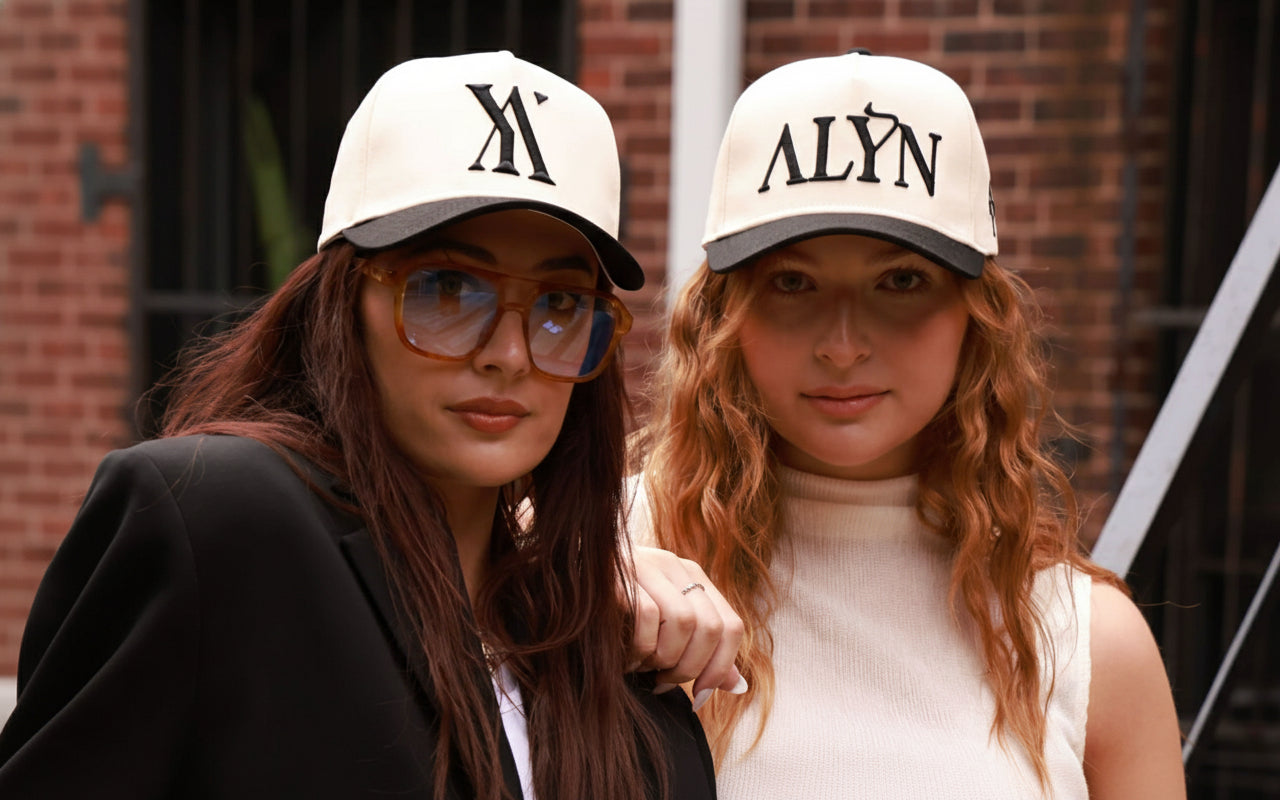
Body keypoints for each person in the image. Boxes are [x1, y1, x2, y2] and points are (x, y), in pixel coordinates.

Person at [0, 51, 717, 800]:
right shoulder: (214, 516)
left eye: (560, 303)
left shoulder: (622, 649)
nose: (509, 354)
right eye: (448, 288)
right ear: (345, 305)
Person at [631, 50, 1185, 799]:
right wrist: (581, 572)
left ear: (977, 317)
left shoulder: (1086, 642)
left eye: (901, 280)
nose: (842, 344)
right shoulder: (607, 558)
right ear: (723, 315)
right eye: (792, 281)